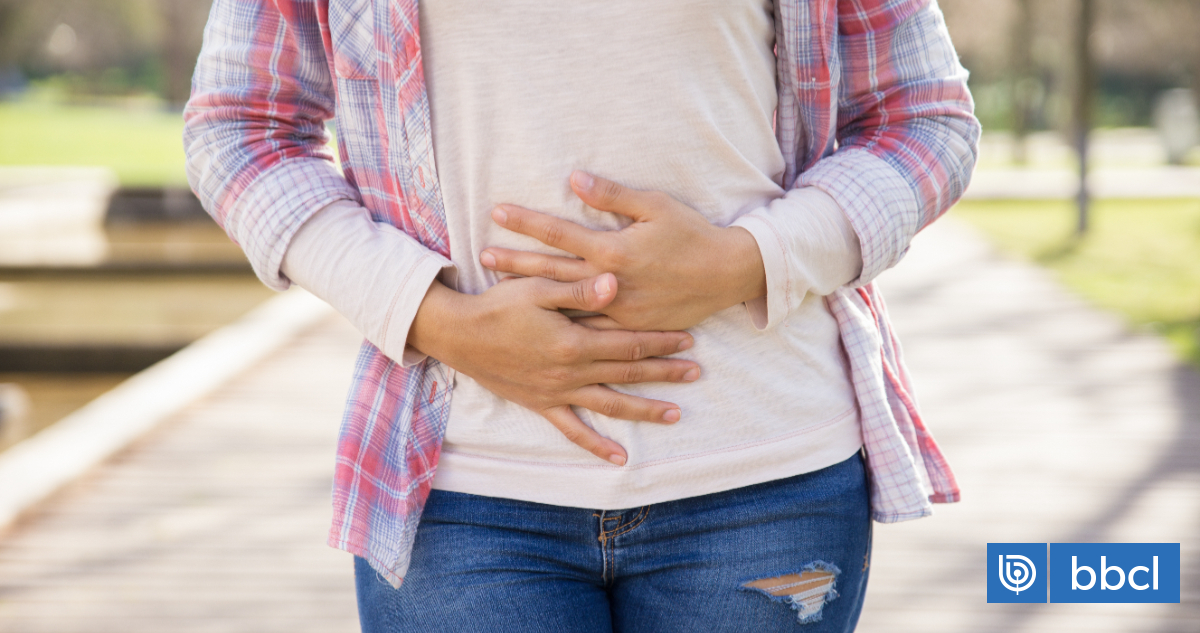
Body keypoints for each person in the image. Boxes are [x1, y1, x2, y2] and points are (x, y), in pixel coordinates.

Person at [184, 1, 978, 630]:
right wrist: (437, 319)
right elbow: (241, 131)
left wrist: (747, 259)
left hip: (764, 481)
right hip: (462, 485)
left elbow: (924, 121)